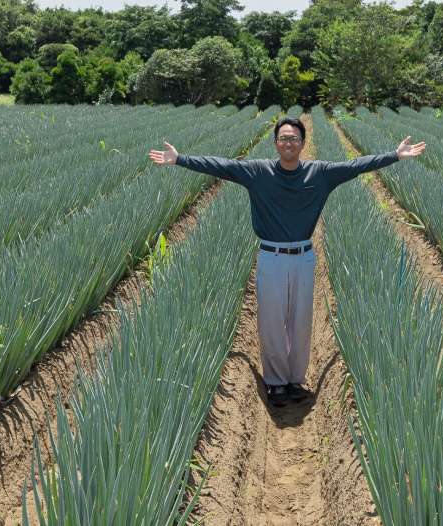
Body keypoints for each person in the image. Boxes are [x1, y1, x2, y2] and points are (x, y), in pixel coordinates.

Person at [148, 115, 426, 407]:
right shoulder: (258, 172)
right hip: (271, 256)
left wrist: (394, 155)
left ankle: (295, 380)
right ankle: (277, 382)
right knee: (271, 321)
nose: (288, 143)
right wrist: (180, 159)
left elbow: (356, 165)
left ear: (303, 143)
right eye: (283, 138)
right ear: (276, 143)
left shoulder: (320, 173)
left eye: (294, 138)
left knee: (300, 321)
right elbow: (221, 165)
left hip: (304, 256)